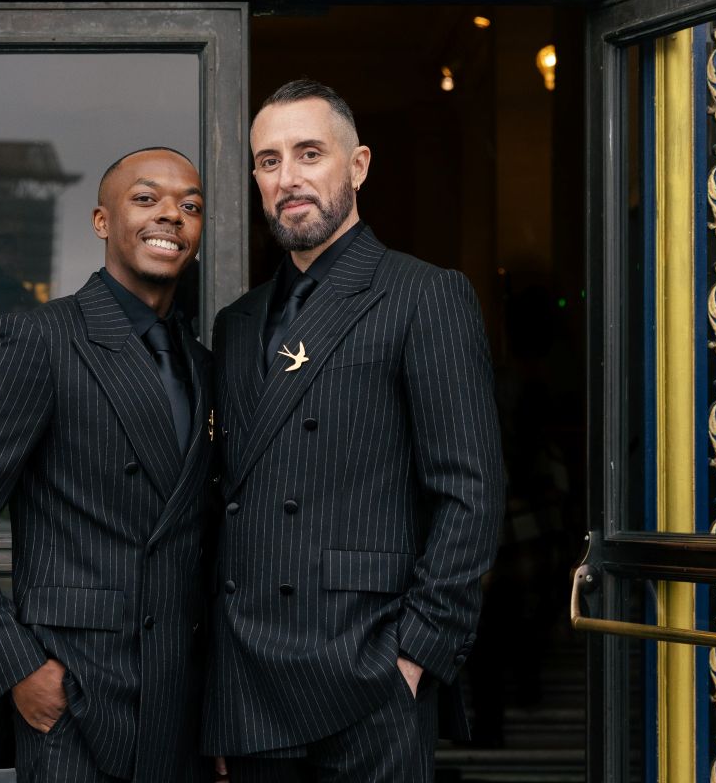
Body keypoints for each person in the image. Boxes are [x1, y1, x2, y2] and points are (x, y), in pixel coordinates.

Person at [203, 80, 504, 783]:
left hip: (368, 671)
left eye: (310, 154)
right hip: (249, 682)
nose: (289, 178)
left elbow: (470, 492)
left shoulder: (424, 294)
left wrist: (415, 656)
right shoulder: (237, 323)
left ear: (358, 165)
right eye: (269, 161)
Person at [0, 147, 216, 783]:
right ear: (102, 221)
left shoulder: (204, 363)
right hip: (76, 698)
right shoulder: (42, 339)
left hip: (181, 705)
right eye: (146, 199)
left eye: (190, 207)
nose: (172, 216)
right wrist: (19, 668)